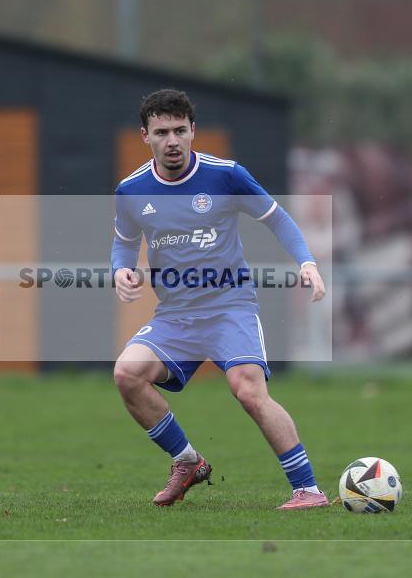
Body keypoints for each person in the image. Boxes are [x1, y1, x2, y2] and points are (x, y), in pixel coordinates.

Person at [111, 89, 329, 510]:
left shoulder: (226, 175)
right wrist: (119, 269)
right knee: (127, 373)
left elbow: (277, 219)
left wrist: (307, 262)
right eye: (162, 132)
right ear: (145, 136)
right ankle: (187, 461)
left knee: (247, 391)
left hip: (230, 307)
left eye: (180, 130)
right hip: (175, 316)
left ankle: (308, 489)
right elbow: (122, 244)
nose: (172, 140)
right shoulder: (131, 189)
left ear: (193, 131)